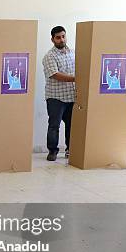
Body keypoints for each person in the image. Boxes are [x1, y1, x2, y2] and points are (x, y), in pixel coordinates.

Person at [42, 26, 76, 161]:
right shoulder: (49, 56)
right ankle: (52, 151)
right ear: (52, 39)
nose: (61, 39)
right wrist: (75, 78)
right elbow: (55, 75)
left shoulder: (72, 53)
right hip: (55, 97)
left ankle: (70, 149)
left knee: (72, 125)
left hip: (71, 96)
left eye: (63, 36)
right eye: (58, 37)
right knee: (54, 125)